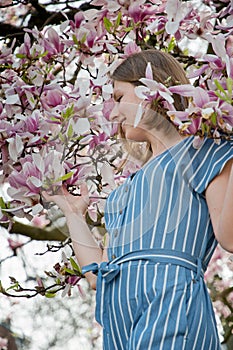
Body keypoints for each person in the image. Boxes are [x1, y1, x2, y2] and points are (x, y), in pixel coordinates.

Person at [42, 49, 233, 350]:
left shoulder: (202, 151)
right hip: (117, 322)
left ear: (150, 89)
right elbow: (97, 276)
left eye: (119, 98)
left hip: (170, 304)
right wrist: (73, 213)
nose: (113, 114)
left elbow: (229, 236)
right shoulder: (124, 191)